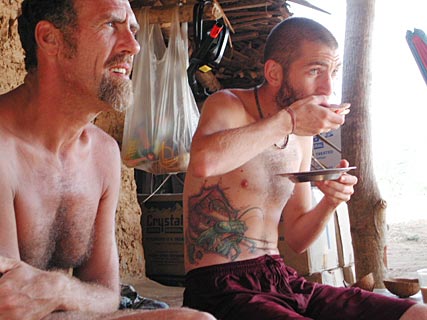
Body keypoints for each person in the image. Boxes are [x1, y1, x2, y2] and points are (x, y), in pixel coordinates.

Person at [182, 16, 427, 320]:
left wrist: (330, 201)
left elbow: (297, 238)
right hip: (220, 284)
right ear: (274, 72)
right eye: (315, 71)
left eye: (332, 73)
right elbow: (205, 162)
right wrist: (290, 120)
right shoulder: (228, 105)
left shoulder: (301, 138)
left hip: (280, 276)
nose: (327, 87)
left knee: (416, 313)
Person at [0, 0, 215, 319]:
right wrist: (69, 296)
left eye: (132, 29)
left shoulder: (103, 154)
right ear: (50, 39)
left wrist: (59, 290)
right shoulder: (5, 147)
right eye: (110, 25)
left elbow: (106, 295)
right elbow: (10, 303)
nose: (133, 46)